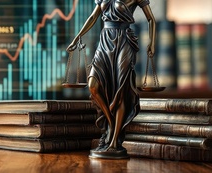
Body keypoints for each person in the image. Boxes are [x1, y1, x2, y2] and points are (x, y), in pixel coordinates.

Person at [66, 0, 156, 158]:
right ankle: (111, 123)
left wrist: (152, 43)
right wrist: (77, 37)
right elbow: (94, 17)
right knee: (93, 85)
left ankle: (114, 142)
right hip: (105, 40)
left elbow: (151, 19)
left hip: (124, 41)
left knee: (121, 90)